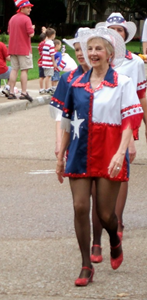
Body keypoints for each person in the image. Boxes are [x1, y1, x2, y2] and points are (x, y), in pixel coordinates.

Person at [56, 26, 143, 286]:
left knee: (106, 214)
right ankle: (85, 265)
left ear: (109, 53)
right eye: (89, 48)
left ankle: (114, 241)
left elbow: (130, 120)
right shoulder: (75, 83)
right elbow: (67, 121)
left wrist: (120, 153)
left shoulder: (122, 83)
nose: (92, 53)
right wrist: (60, 155)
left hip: (109, 151)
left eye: (98, 49)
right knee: (80, 207)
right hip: (79, 151)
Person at [90, 13, 147, 263]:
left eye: (120, 30)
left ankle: (117, 219)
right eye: (111, 28)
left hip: (126, 121)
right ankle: (96, 237)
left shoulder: (135, 63)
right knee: (95, 175)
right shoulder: (97, 57)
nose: (116, 32)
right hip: (99, 124)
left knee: (119, 169)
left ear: (126, 35)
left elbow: (142, 94)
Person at [49, 27, 90, 157]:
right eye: (77, 49)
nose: (80, 53)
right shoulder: (67, 79)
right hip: (75, 141)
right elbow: (60, 115)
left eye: (84, 49)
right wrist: (59, 143)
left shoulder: (108, 77)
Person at [7, 0, 35, 102]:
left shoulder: (12, 18)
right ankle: (23, 92)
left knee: (14, 69)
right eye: (28, 7)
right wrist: (32, 28)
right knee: (24, 70)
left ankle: (11, 92)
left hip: (12, 48)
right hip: (24, 48)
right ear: (22, 8)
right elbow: (31, 34)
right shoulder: (27, 19)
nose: (30, 9)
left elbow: (10, 32)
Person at [41, 28, 57, 95]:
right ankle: (47, 88)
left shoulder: (46, 42)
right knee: (48, 76)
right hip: (49, 63)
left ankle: (46, 87)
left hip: (44, 62)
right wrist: (54, 63)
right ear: (53, 35)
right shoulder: (51, 43)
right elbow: (52, 54)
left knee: (47, 75)